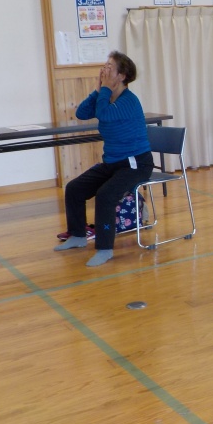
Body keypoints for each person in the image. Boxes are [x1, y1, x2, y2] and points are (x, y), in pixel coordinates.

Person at [53, 51, 154, 267]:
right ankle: (78, 235)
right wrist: (99, 90)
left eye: (109, 67)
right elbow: (82, 113)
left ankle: (105, 248)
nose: (104, 70)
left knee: (106, 195)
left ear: (122, 76)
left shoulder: (129, 101)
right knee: (74, 188)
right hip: (113, 163)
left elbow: (104, 114)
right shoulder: (106, 97)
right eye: (104, 66)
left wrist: (104, 90)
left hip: (136, 163)